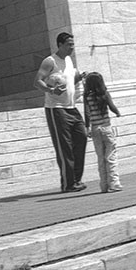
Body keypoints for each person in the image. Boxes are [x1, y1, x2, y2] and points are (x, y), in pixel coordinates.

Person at [36, 32, 89, 193]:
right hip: (56, 109)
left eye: (73, 44)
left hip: (72, 107)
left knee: (81, 138)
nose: (72, 47)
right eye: (68, 45)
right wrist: (51, 89)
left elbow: (69, 81)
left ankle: (76, 179)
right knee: (64, 146)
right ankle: (68, 183)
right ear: (59, 45)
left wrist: (80, 77)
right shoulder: (50, 61)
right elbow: (37, 81)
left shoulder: (69, 61)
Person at [80, 71, 122, 193]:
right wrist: (118, 113)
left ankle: (104, 185)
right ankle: (114, 183)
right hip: (106, 127)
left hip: (95, 128)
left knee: (101, 158)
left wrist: (87, 127)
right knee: (111, 156)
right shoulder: (105, 94)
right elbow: (112, 106)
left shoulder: (86, 96)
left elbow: (87, 113)